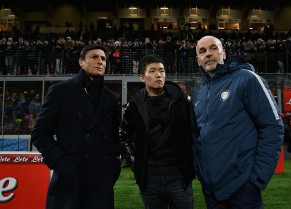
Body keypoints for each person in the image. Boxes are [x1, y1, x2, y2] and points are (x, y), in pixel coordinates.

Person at [190, 35, 284, 209]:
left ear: (223, 53)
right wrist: (202, 174)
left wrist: (257, 178)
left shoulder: (246, 79)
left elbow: (272, 126)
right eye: (202, 51)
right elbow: (197, 138)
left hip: (244, 188)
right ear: (198, 60)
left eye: (213, 48)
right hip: (212, 191)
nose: (208, 54)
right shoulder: (198, 94)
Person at [31, 44, 121, 209]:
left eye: (103, 58)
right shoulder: (60, 91)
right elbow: (40, 133)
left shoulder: (111, 98)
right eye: (94, 57)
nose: (100, 61)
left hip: (101, 179)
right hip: (69, 178)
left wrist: (113, 167)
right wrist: (60, 161)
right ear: (81, 62)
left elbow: (115, 137)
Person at [119, 54, 195, 209]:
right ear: (142, 77)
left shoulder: (180, 99)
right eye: (152, 71)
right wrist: (134, 162)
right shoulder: (135, 105)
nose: (158, 74)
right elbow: (123, 135)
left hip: (179, 177)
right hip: (150, 179)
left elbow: (193, 131)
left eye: (161, 70)